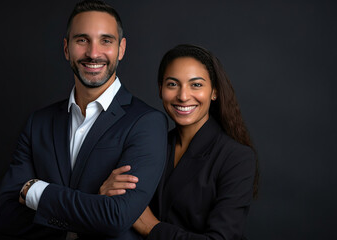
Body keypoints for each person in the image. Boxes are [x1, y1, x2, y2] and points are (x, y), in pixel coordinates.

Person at [0, 1, 167, 239]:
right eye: (82, 40)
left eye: (106, 40)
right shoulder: (39, 123)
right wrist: (94, 200)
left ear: (121, 49)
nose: (93, 53)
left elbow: (115, 217)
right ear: (66, 48)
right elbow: (5, 216)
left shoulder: (147, 122)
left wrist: (33, 190)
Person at [99, 44, 259, 239]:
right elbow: (120, 206)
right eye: (172, 84)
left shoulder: (236, 157)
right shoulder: (150, 145)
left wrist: (152, 227)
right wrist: (105, 196)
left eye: (196, 85)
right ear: (160, 89)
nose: (183, 96)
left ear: (214, 91)